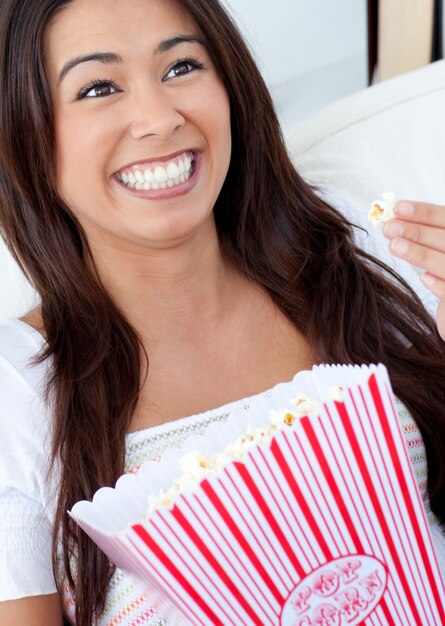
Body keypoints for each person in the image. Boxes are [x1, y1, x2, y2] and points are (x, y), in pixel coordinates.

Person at [0, 0, 444, 624]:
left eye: (182, 66)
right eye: (98, 87)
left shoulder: (360, 251)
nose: (158, 117)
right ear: (26, 137)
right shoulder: (16, 396)